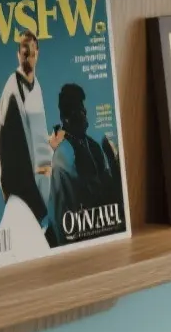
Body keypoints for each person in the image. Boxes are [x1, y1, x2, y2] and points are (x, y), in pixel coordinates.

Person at [0, 29, 59, 229]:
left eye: (31, 52)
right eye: (24, 52)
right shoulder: (12, 91)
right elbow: (11, 147)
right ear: (18, 54)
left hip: (34, 182)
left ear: (37, 53)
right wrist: (34, 199)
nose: (28, 57)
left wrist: (51, 146)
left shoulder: (35, 88)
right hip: (19, 189)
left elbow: (35, 140)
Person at [46, 82, 122, 247]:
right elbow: (63, 217)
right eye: (80, 109)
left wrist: (114, 163)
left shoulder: (93, 146)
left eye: (83, 108)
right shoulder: (63, 155)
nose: (85, 112)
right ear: (68, 117)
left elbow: (108, 189)